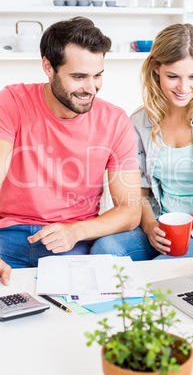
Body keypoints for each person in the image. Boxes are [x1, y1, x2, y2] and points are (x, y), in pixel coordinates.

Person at [95, 23, 193, 260]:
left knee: (161, 272)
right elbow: (139, 190)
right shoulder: (139, 122)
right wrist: (149, 226)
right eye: (173, 76)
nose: (183, 87)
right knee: (104, 249)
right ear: (155, 68)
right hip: (160, 227)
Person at [0, 17, 141, 268]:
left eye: (97, 75)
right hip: (7, 236)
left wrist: (75, 232)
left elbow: (130, 212)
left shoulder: (115, 121)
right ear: (48, 67)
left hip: (71, 242)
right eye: (79, 77)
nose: (91, 88)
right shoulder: (12, 101)